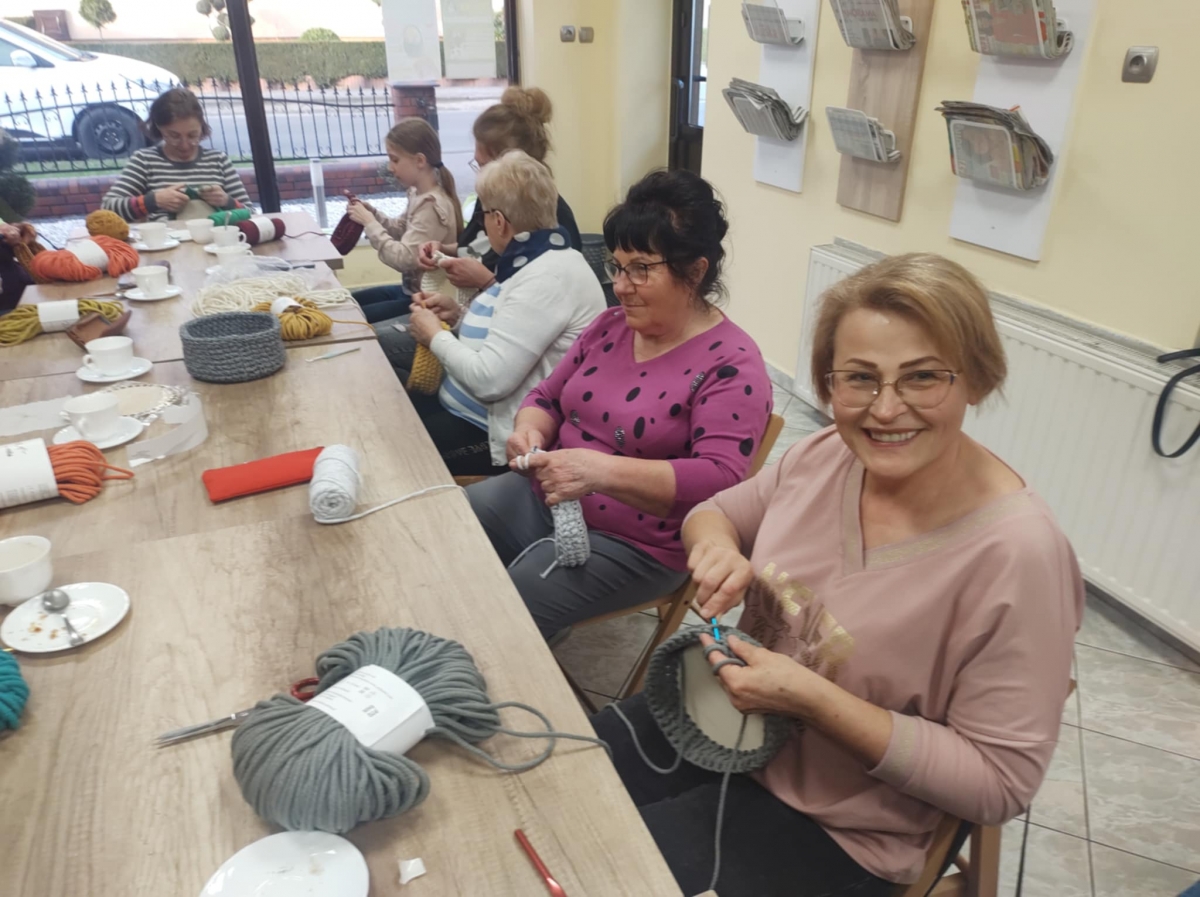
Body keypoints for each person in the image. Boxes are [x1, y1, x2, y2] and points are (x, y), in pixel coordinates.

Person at [590, 253, 1085, 897]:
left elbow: (997, 784)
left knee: (603, 871)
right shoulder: (828, 455)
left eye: (922, 377)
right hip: (722, 726)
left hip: (840, 824)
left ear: (977, 378)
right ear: (829, 383)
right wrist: (716, 548)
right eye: (860, 378)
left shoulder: (1019, 557)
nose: (886, 410)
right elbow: (715, 513)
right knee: (553, 789)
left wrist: (813, 700)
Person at [467, 170, 772, 639]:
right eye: (618, 266)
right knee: (455, 527)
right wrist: (530, 430)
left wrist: (600, 472)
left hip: (639, 541)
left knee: (514, 605)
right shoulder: (610, 326)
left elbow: (720, 477)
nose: (622, 285)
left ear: (695, 271)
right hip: (550, 497)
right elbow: (546, 397)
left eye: (641, 269)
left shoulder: (732, 364)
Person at [403, 150, 604, 476]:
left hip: (494, 435)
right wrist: (457, 317)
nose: (482, 225)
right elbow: (509, 331)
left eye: (483, 214)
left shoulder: (547, 276)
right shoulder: (536, 257)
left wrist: (435, 335)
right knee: (397, 407)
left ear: (499, 221)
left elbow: (489, 381)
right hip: (468, 413)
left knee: (397, 448)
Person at [375, 87, 583, 375]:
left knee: (378, 347)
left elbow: (521, 325)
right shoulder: (490, 199)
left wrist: (483, 282)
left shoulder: (555, 224)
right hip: (470, 314)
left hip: (496, 343)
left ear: (510, 163)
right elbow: (478, 247)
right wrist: (444, 250)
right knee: (377, 340)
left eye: (482, 165)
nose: (479, 174)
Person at [348, 118, 463, 324]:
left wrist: (369, 223)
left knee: (356, 320)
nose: (391, 167)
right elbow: (400, 229)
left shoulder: (432, 205)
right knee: (348, 303)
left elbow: (404, 258)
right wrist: (373, 214)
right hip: (409, 292)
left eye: (395, 160)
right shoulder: (417, 194)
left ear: (420, 161)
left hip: (426, 300)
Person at [101, 87, 252, 222]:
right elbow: (107, 208)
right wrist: (153, 201)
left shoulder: (218, 160)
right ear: (159, 128)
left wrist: (227, 201)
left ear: (202, 128)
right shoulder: (145, 161)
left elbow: (250, 213)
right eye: (174, 136)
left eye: (193, 135)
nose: (184, 145)